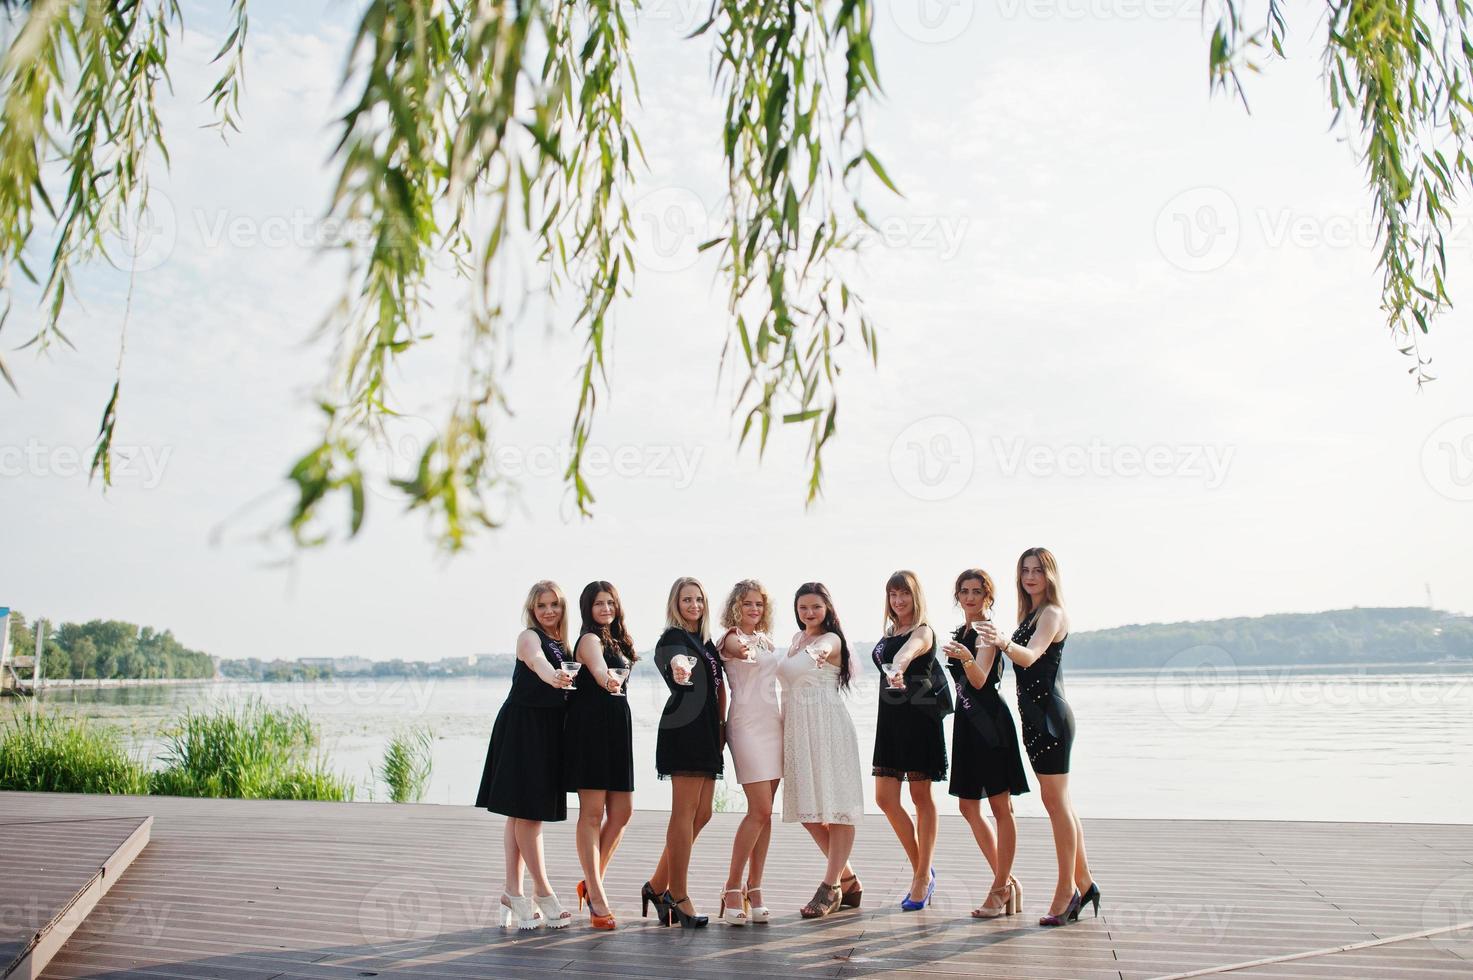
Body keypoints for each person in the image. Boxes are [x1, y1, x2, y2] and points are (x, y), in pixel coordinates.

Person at [979, 547, 1101, 927]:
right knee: (1058, 802)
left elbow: (1030, 657)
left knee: (1056, 804)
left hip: (1051, 718)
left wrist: (1001, 641)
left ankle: (1067, 891)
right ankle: (1085, 883)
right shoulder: (1029, 614)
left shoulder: (1052, 613)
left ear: (1050, 575)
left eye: (1038, 570)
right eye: (1025, 570)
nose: (1031, 576)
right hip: (1032, 719)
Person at [475, 580, 576, 930]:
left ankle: (513, 893)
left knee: (519, 814)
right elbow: (537, 663)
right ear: (532, 610)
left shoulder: (562, 644)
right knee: (529, 814)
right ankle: (544, 893)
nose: (549, 611)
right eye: (541, 606)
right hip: (523, 727)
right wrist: (554, 678)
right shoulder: (529, 638)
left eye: (554, 605)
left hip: (546, 730)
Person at [940, 568, 1029, 919]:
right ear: (958, 596)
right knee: (968, 807)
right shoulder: (962, 631)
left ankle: (1000, 886)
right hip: (966, 723)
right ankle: (1005, 881)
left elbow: (978, 681)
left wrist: (964, 656)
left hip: (990, 722)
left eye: (977, 591)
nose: (971, 597)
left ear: (988, 596)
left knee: (1000, 807)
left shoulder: (986, 632)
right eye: (964, 591)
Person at [778, 582, 865, 918]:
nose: (809, 613)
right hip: (799, 730)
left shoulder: (831, 639)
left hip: (829, 727)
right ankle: (847, 877)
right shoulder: (795, 640)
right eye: (803, 608)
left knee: (838, 807)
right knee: (807, 810)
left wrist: (816, 653)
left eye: (815, 606)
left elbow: (822, 651)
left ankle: (830, 887)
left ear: (827, 608)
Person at [644, 577, 725, 929]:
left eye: (698, 599)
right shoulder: (673, 639)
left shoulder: (705, 641)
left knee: (702, 813)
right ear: (675, 604)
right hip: (685, 729)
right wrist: (680, 665)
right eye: (686, 600)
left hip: (707, 729)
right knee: (684, 812)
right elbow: (674, 660)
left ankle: (657, 885)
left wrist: (721, 728)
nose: (693, 605)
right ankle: (677, 895)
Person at [870, 569, 952, 911]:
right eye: (893, 594)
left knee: (920, 795)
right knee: (885, 798)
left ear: (915, 596)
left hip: (918, 717)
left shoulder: (923, 631)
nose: (898, 600)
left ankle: (920, 878)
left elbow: (908, 652)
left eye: (904, 594)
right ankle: (924, 866)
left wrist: (899, 665)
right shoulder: (890, 631)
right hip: (890, 719)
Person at [563, 580, 637, 929]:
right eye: (598, 604)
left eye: (610, 602)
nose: (606, 609)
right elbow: (597, 670)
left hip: (617, 730)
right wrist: (609, 679)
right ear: (587, 609)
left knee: (622, 812)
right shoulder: (590, 640)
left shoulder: (618, 640)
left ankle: (592, 886)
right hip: (591, 730)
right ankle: (596, 894)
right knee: (592, 814)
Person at [712, 579, 782, 925]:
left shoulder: (768, 640)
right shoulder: (728, 638)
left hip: (774, 725)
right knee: (760, 808)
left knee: (766, 814)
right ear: (736, 607)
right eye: (747, 604)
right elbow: (740, 651)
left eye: (758, 604)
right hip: (746, 726)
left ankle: (756, 888)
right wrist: (745, 649)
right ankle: (731, 887)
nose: (754, 609)